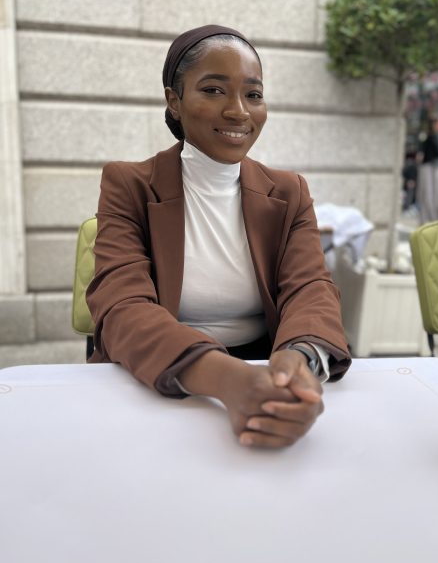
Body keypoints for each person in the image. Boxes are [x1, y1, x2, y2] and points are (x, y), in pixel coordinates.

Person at [87, 24, 350, 449]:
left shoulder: (288, 192)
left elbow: (311, 289)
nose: (238, 111)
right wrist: (228, 380)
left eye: (253, 94)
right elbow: (122, 307)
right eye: (212, 90)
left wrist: (294, 362)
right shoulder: (129, 184)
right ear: (174, 101)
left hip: (265, 363)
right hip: (161, 373)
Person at [416, 115, 438, 224]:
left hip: (433, 167)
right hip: (431, 168)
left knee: (430, 195)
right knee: (429, 195)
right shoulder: (432, 137)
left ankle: (430, 218)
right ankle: (432, 218)